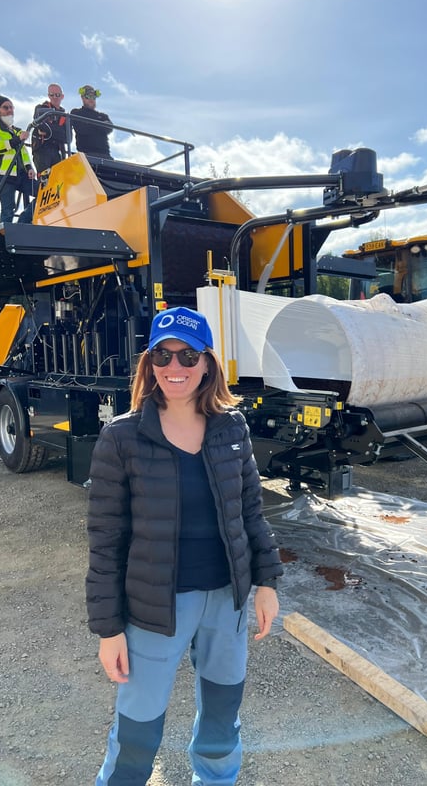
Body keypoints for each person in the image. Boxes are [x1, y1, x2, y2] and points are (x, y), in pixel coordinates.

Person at [86, 305, 283, 785]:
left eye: (188, 356)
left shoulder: (231, 428)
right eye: (163, 355)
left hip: (226, 604)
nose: (175, 367)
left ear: (208, 364)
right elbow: (105, 541)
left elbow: (251, 512)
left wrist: (267, 582)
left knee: (221, 717)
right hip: (156, 608)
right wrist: (108, 629)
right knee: (138, 729)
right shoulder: (122, 438)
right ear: (149, 364)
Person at [0, 95, 38, 224]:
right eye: (5, 107)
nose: (10, 110)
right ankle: (6, 241)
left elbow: (24, 152)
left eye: (11, 107)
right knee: (8, 210)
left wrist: (29, 167)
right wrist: (17, 139)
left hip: (21, 175)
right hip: (4, 175)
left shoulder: (16, 130)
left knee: (43, 192)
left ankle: (23, 221)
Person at [31, 83, 69, 173]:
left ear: (62, 96)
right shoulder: (41, 108)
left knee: (59, 181)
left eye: (57, 95)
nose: (55, 97)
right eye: (52, 95)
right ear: (49, 96)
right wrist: (58, 132)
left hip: (58, 152)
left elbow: (68, 137)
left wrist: (49, 131)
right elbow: (42, 126)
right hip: (42, 149)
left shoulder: (65, 116)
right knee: (45, 179)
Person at [70, 84, 113, 158]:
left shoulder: (103, 116)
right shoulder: (76, 112)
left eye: (93, 97)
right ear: (82, 98)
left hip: (105, 155)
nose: (91, 99)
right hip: (86, 155)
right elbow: (82, 129)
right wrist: (100, 125)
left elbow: (109, 128)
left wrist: (89, 124)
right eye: (88, 96)